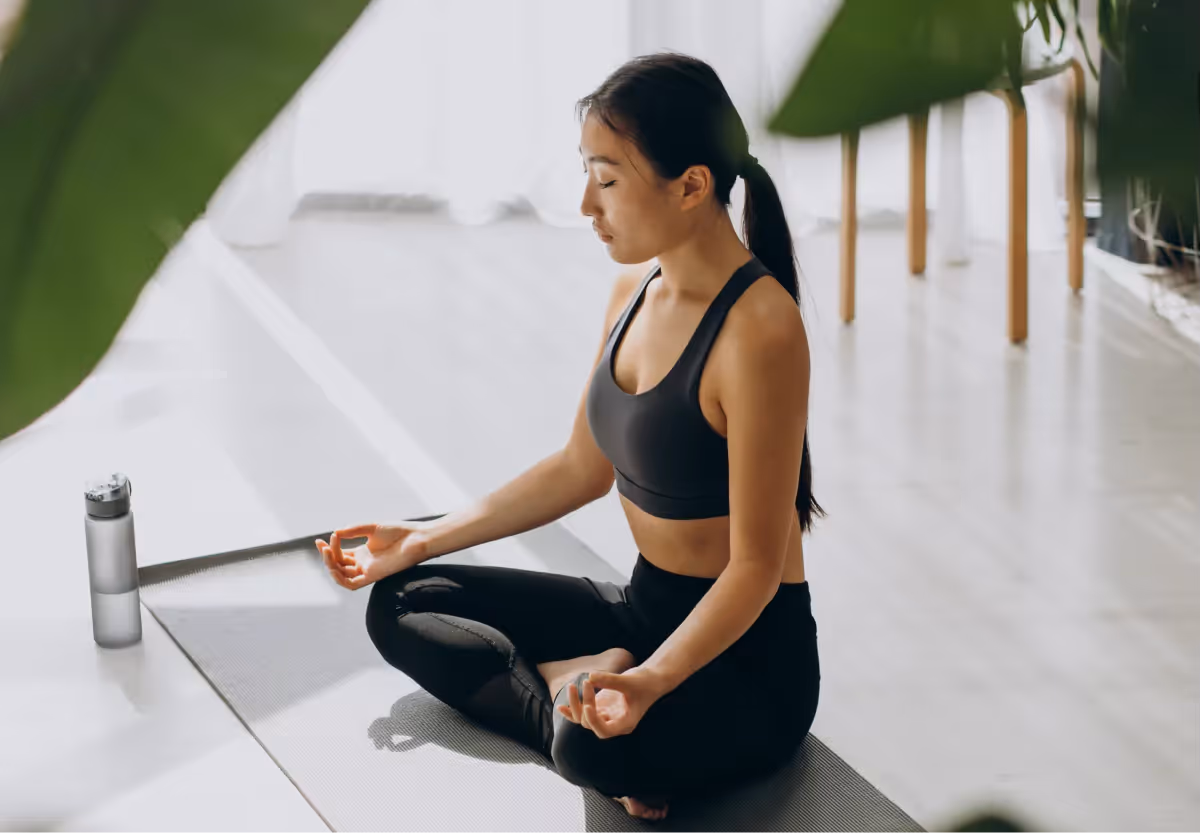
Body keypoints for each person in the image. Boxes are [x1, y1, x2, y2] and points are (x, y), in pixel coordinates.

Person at [315, 51, 825, 823]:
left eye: (608, 178)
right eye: (586, 172)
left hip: (746, 660)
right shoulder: (634, 288)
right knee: (403, 602)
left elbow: (755, 569)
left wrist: (650, 679)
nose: (587, 203)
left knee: (596, 751)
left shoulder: (760, 330)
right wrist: (422, 538)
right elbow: (578, 467)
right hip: (641, 607)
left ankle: (575, 697)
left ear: (690, 184)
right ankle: (571, 681)